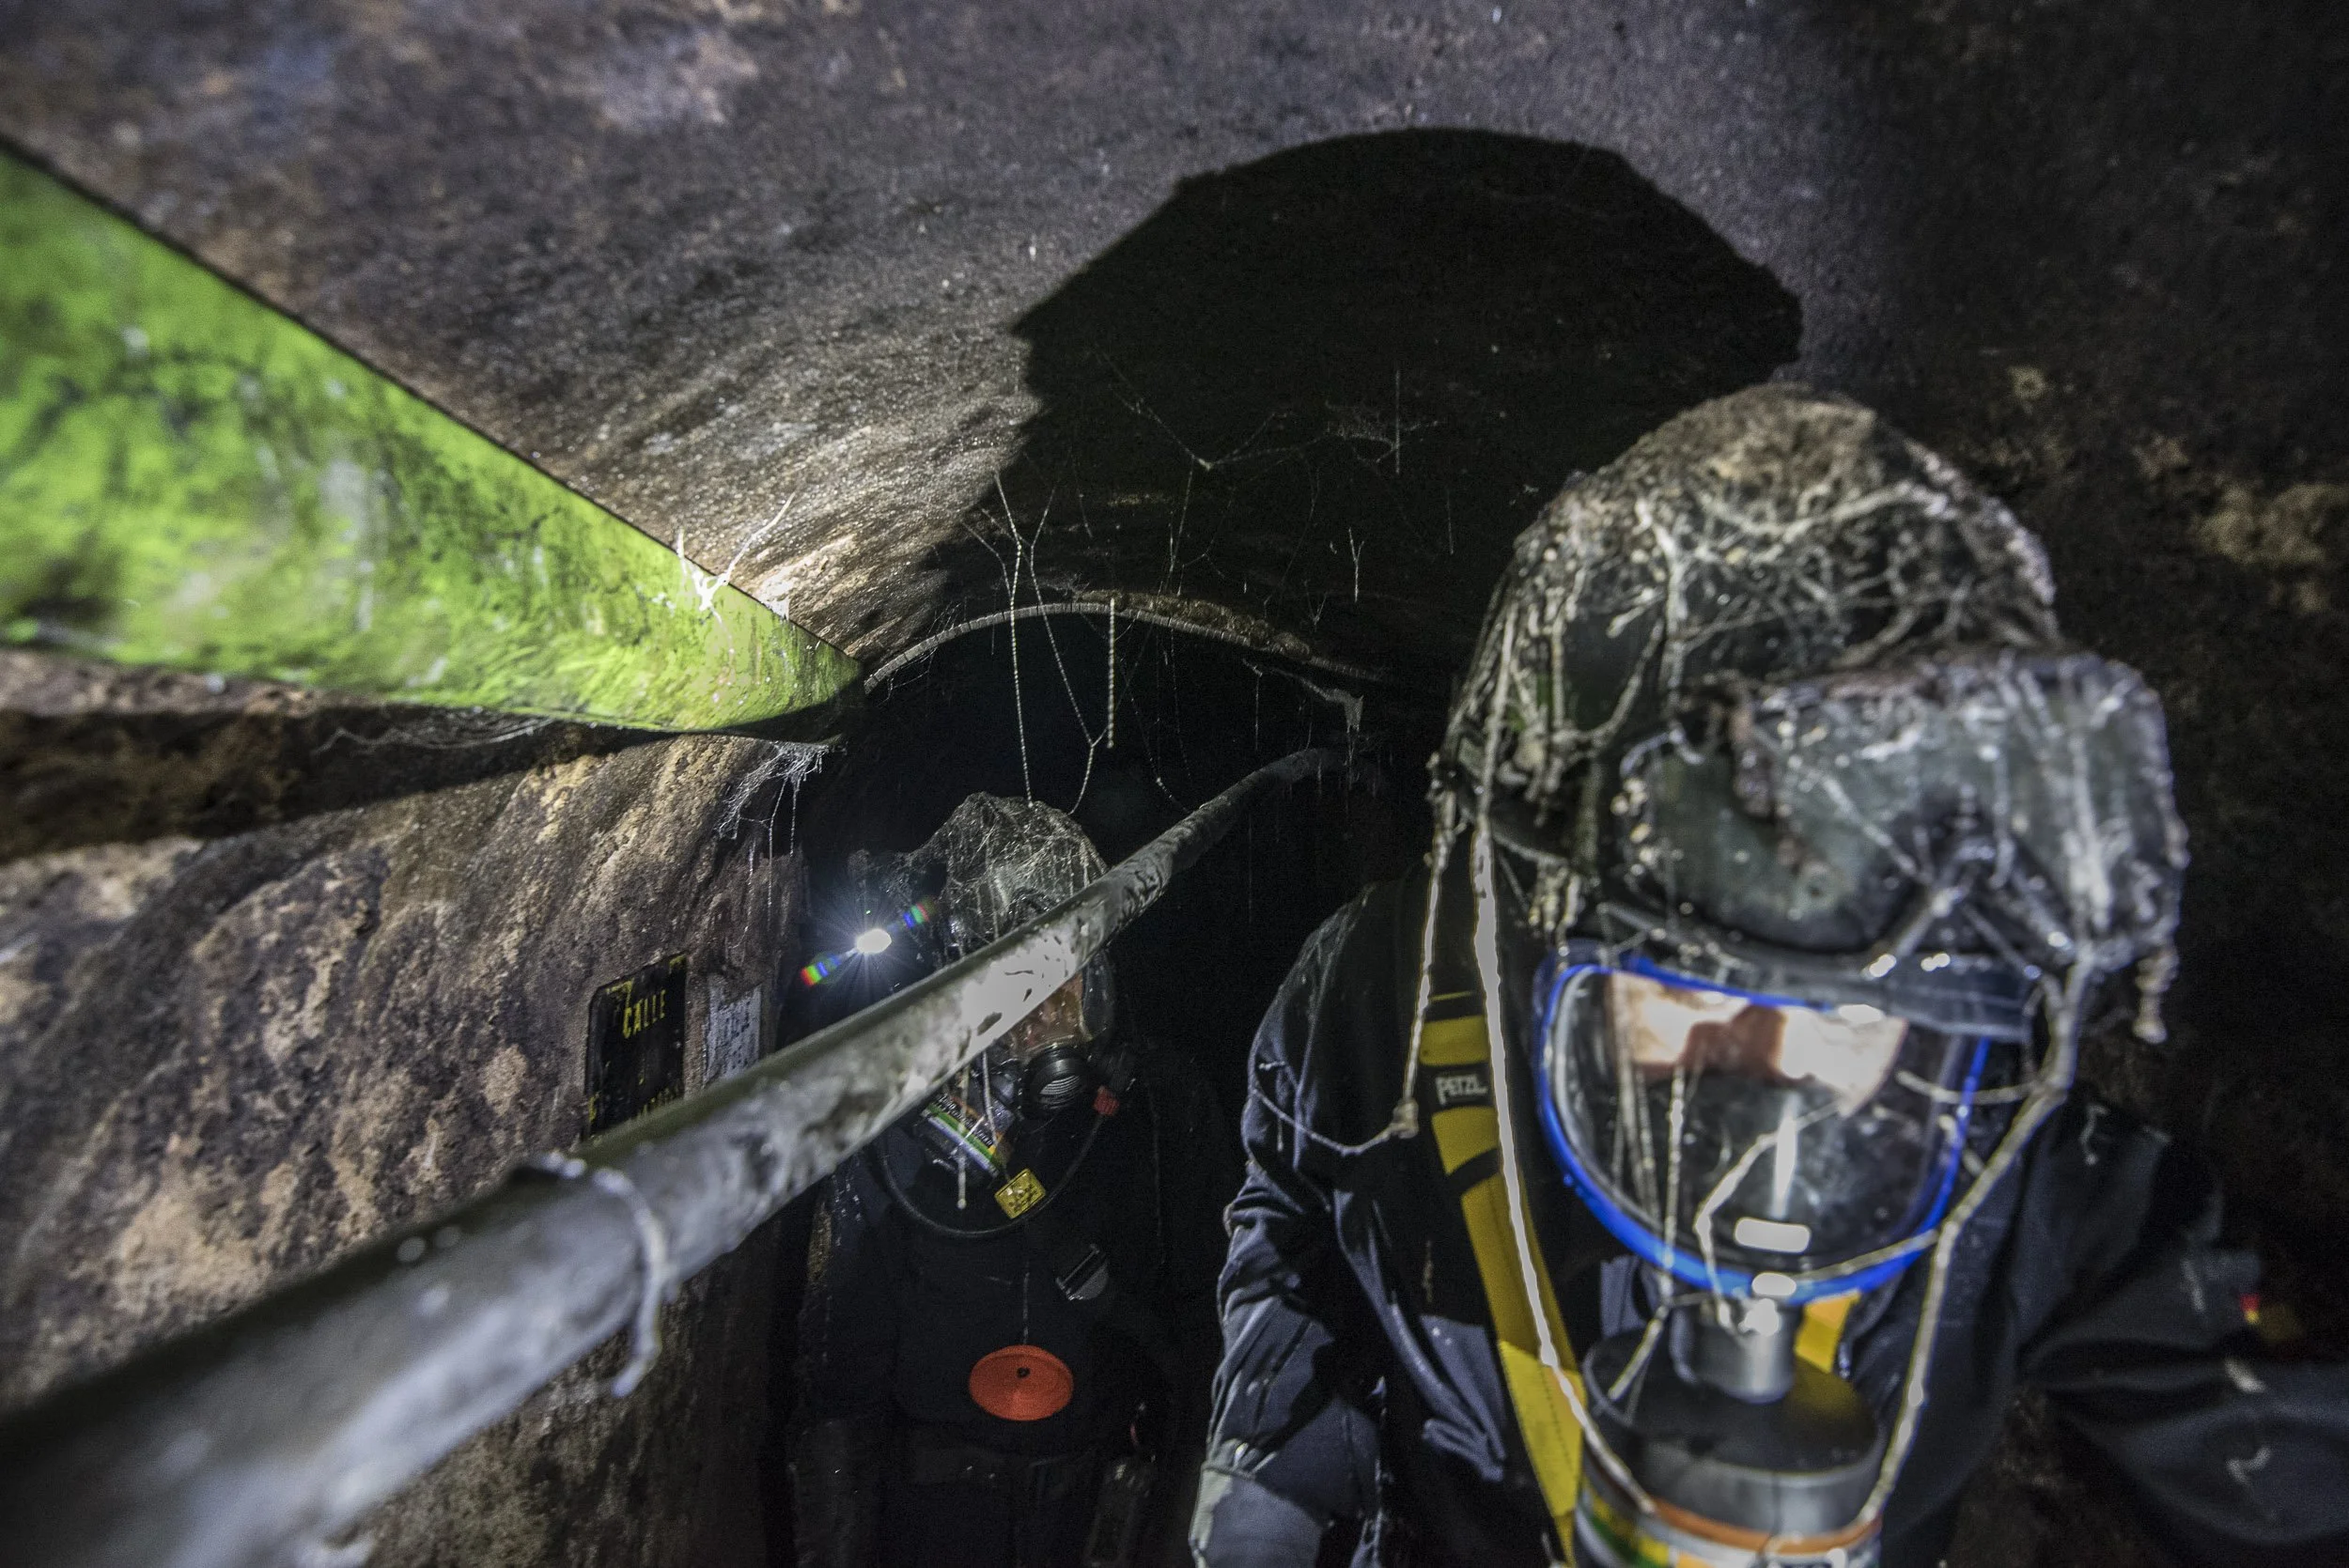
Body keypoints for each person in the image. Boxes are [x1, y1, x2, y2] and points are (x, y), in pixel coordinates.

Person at [1189, 385, 2349, 1568]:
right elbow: (1289, 1204)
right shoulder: (1383, 999)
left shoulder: (2001, 1160)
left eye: (1848, 1015)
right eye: (1691, 994)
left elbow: (2275, 1445)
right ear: (1548, 924)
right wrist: (1267, 1459)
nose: (1770, 1102)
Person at [790, 793, 1235, 1568]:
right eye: (1011, 984)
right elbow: (838, 1393)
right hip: (934, 1519)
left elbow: (1211, 1333)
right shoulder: (893, 1129)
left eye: (1060, 980)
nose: (1039, 1019)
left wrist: (1177, 1532)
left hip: (1096, 1516)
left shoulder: (1161, 1106)